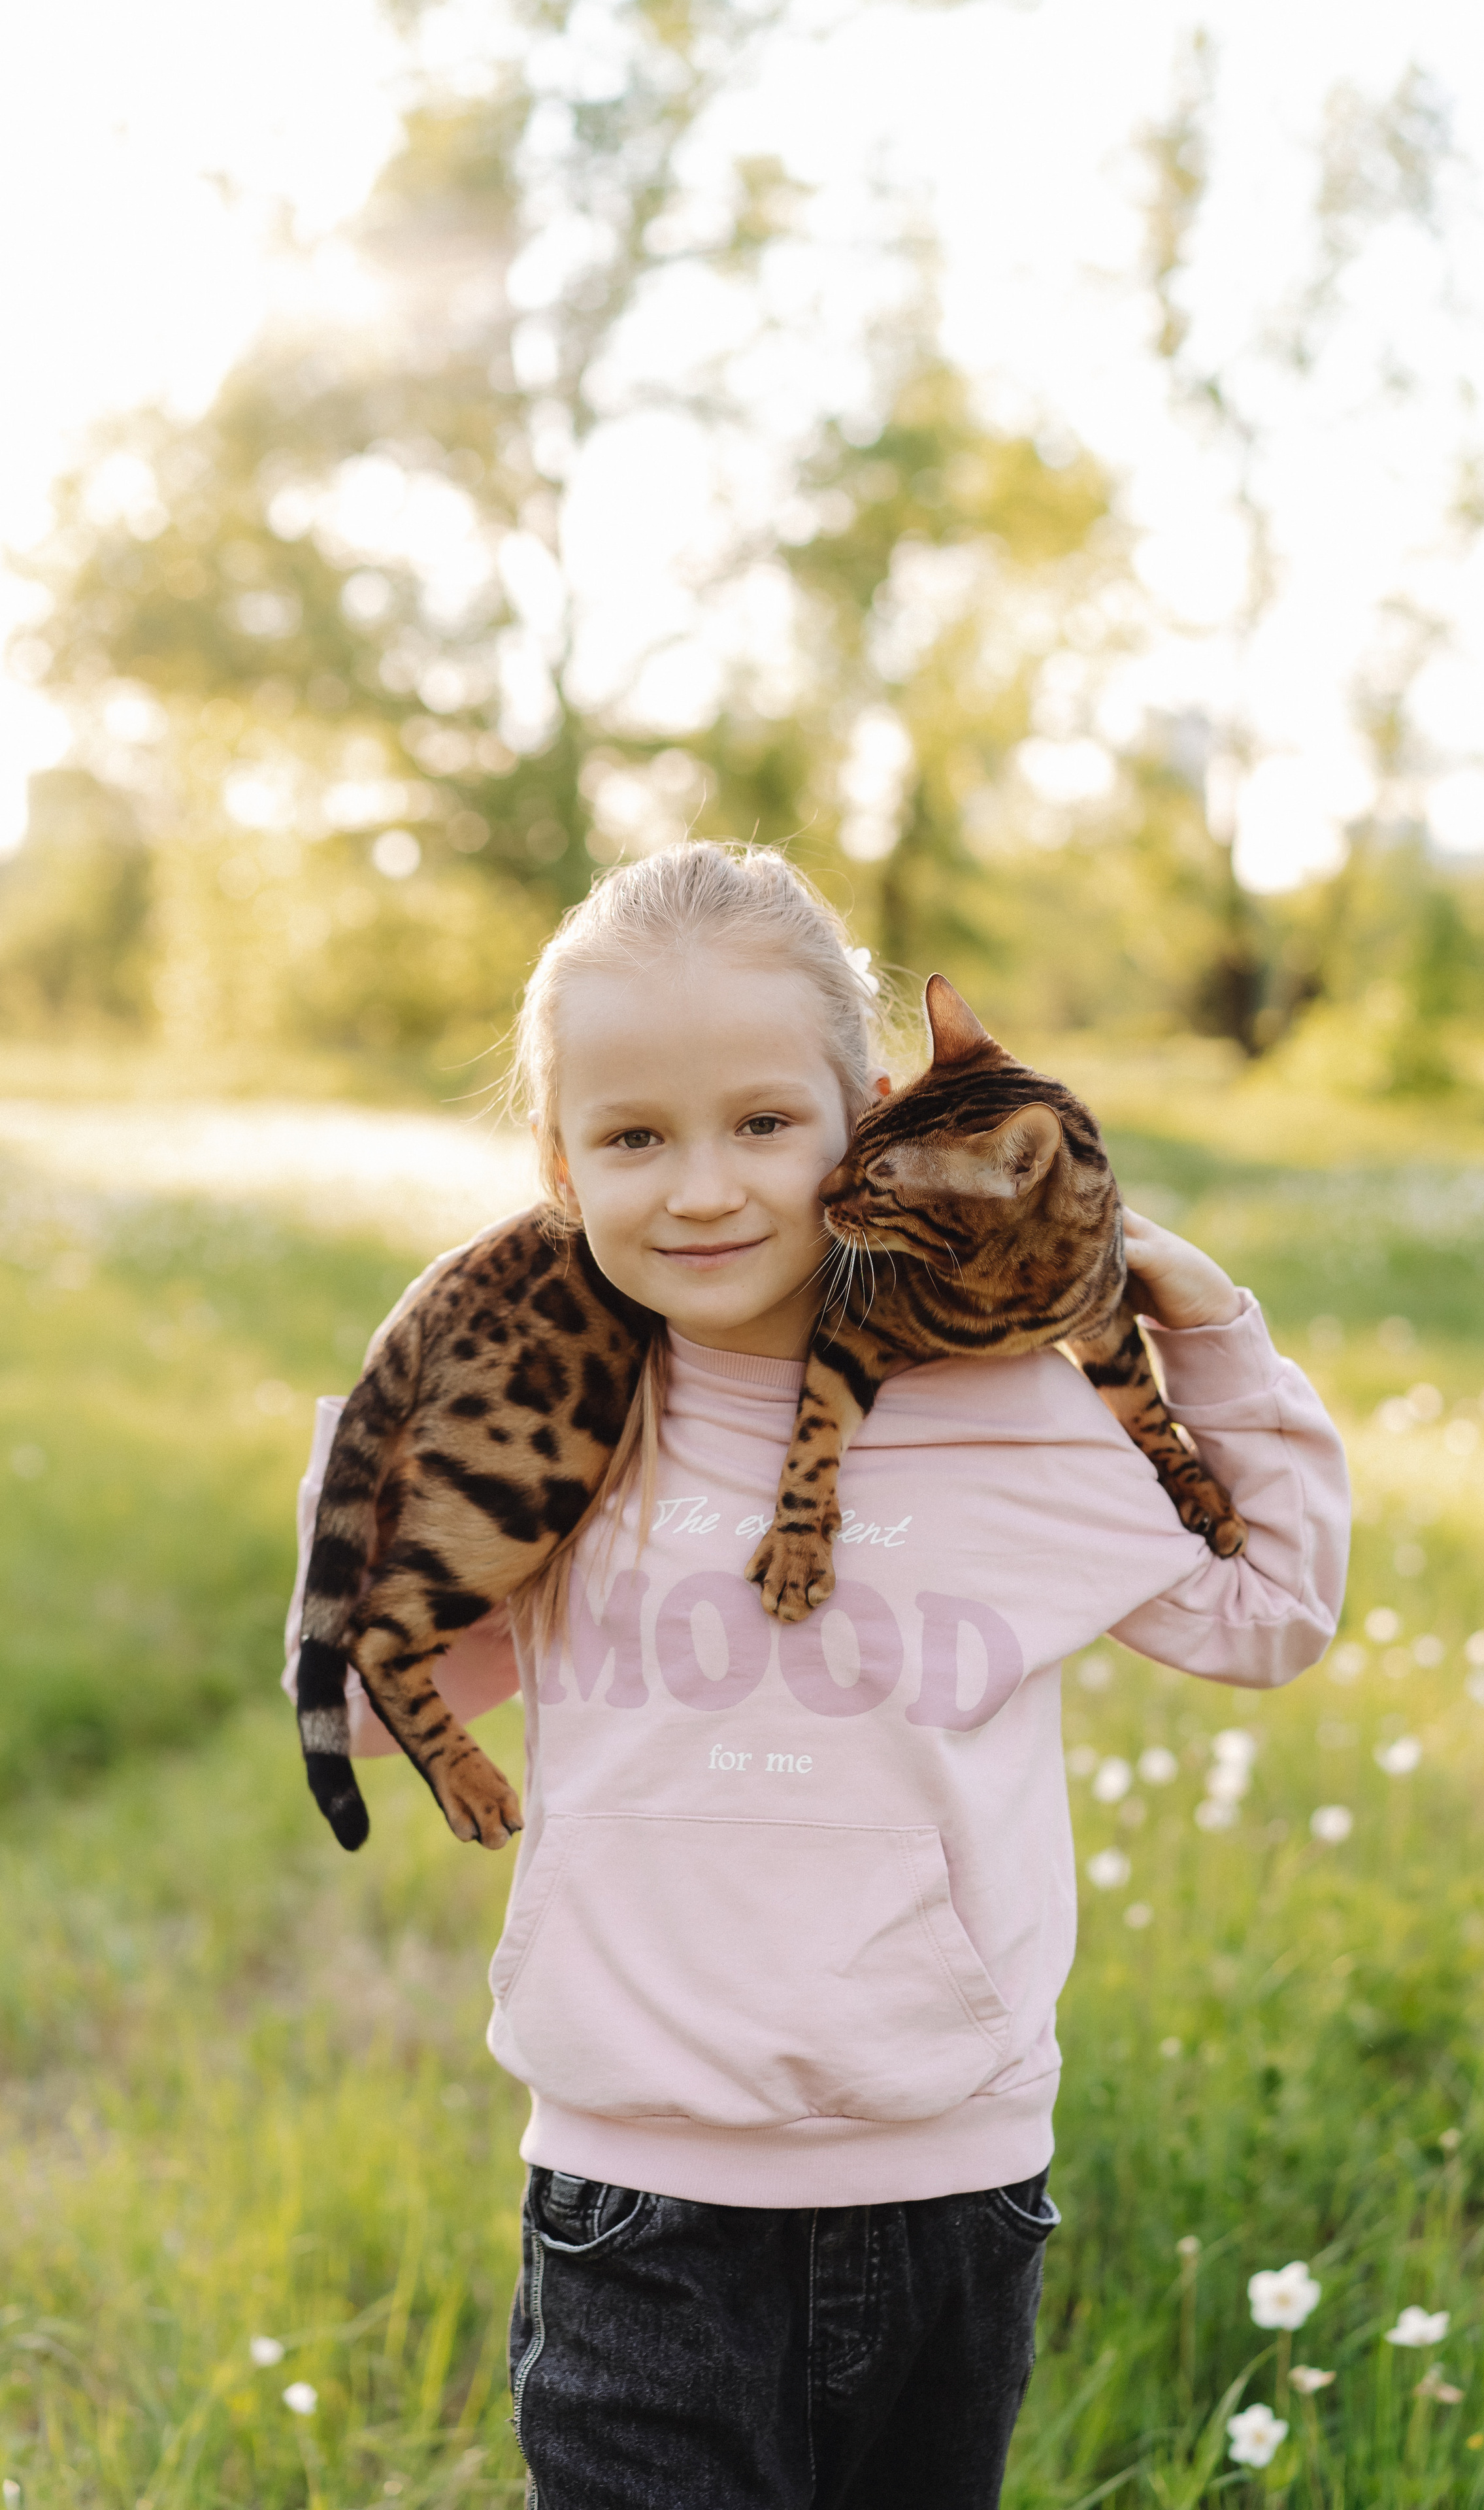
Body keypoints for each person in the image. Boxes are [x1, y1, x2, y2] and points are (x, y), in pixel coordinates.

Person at [283, 842, 1349, 2509]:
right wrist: (389, 1410)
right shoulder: (579, 1427)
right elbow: (357, 1699)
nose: (700, 1189)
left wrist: (1202, 1321)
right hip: (632, 2203)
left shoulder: (1013, 1420)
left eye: (762, 1126)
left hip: (951, 2184)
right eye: (633, 1137)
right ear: (557, 1164)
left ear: (869, 1130)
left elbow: (1269, 1612)